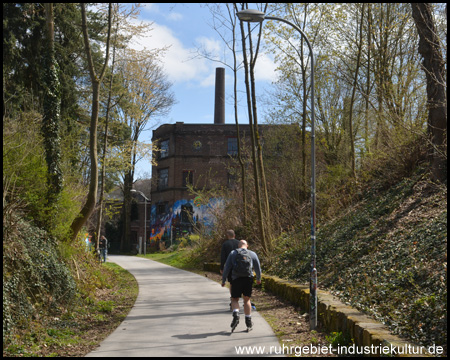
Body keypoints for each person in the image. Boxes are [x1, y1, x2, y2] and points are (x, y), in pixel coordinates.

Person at [222, 240, 261, 331]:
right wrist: (258, 278)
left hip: (236, 279)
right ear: (247, 245)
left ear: (238, 246)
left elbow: (227, 267)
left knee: (235, 299)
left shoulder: (233, 253)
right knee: (247, 300)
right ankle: (248, 321)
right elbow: (258, 268)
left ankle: (236, 314)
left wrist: (224, 280)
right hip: (248, 279)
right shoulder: (252, 254)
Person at [220, 230, 240, 310]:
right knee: (239, 283)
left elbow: (223, 257)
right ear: (234, 235)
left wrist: (222, 268)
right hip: (240, 267)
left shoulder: (225, 244)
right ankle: (237, 299)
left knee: (232, 284)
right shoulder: (239, 243)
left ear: (227, 236)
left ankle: (233, 301)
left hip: (230, 267)